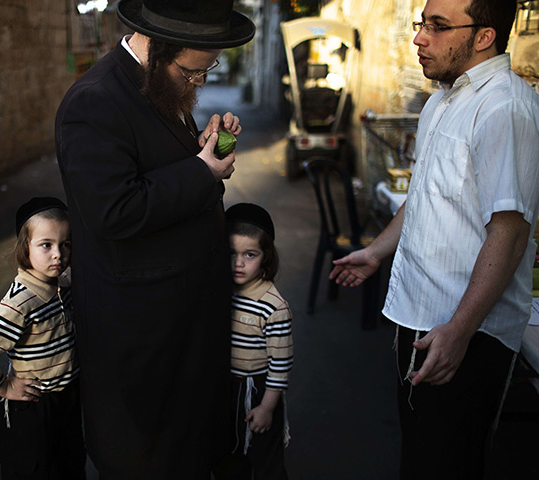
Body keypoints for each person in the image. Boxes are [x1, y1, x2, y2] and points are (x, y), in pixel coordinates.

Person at [329, 0, 539, 478]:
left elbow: (509, 233)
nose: (420, 37)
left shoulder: (504, 107)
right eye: (421, 23)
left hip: (466, 333)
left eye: (438, 27)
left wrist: (460, 329)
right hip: (422, 317)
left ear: (483, 36)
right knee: (421, 457)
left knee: (448, 463)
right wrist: (376, 252)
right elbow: (424, 194)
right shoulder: (443, 98)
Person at [53, 0, 255, 477]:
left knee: (188, 451)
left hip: (184, 321)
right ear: (157, 47)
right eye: (192, 73)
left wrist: (202, 150)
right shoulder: (94, 101)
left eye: (209, 71)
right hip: (142, 334)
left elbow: (162, 168)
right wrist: (202, 170)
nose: (199, 82)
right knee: (147, 458)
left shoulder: (158, 85)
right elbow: (113, 210)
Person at [0, 197, 85, 480]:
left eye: (65, 244)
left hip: (64, 400)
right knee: (32, 469)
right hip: (31, 407)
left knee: (69, 463)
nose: (58, 254)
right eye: (46, 245)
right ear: (24, 248)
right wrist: (4, 387)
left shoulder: (62, 286)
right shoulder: (20, 303)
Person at [213, 203, 293, 480]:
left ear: (266, 257)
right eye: (231, 253)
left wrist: (267, 407)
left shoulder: (273, 306)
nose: (238, 263)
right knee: (228, 456)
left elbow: (280, 365)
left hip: (257, 390)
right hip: (227, 388)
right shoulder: (222, 290)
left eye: (250, 254)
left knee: (264, 461)